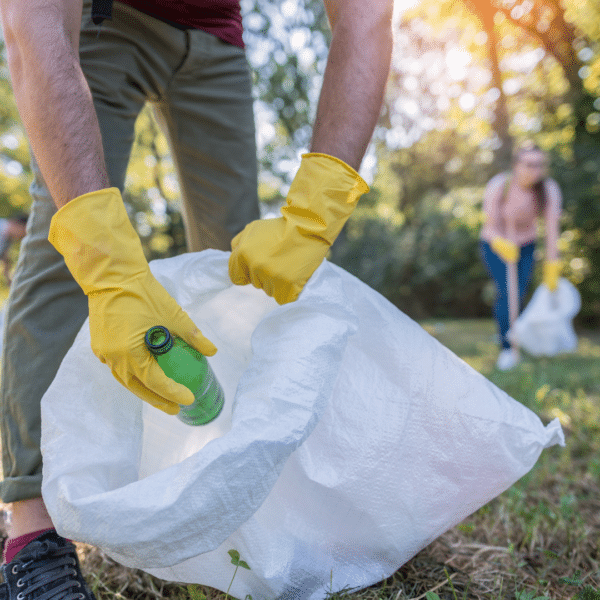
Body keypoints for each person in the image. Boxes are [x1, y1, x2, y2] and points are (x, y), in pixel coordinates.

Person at [0, 0, 393, 598]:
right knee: (67, 243)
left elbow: (366, 17)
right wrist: (109, 271)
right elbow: (31, 24)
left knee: (232, 266)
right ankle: (33, 534)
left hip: (215, 38)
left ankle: (250, 496)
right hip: (105, 18)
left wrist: (316, 215)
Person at [479, 141, 563, 371]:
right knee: (508, 291)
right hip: (495, 243)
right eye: (529, 164)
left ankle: (513, 335)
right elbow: (488, 226)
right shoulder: (500, 185)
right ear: (517, 165)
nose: (534, 170)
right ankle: (507, 347)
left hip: (525, 244)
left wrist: (552, 266)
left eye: (539, 165)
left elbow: (552, 232)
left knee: (520, 291)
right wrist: (500, 242)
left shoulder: (548, 190)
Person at [0, 213, 28, 285]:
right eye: (23, 233)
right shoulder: (2, 228)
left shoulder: (7, 239)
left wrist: (8, 279)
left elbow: (5, 259)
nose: (21, 237)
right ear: (17, 224)